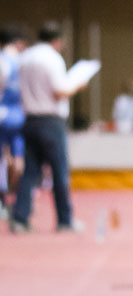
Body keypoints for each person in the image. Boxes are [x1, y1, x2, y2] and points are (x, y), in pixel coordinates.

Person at [10, 21, 86, 235]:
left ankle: (20, 218)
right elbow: (59, 91)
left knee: (30, 172)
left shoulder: (25, 58)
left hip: (30, 119)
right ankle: (65, 219)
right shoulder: (52, 59)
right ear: (58, 41)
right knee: (59, 171)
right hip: (51, 121)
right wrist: (77, 85)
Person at [0, 24, 28, 219]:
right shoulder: (24, 61)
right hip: (21, 114)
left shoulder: (3, 61)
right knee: (19, 159)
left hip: (3, 113)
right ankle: (20, 202)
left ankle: (3, 201)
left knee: (2, 158)